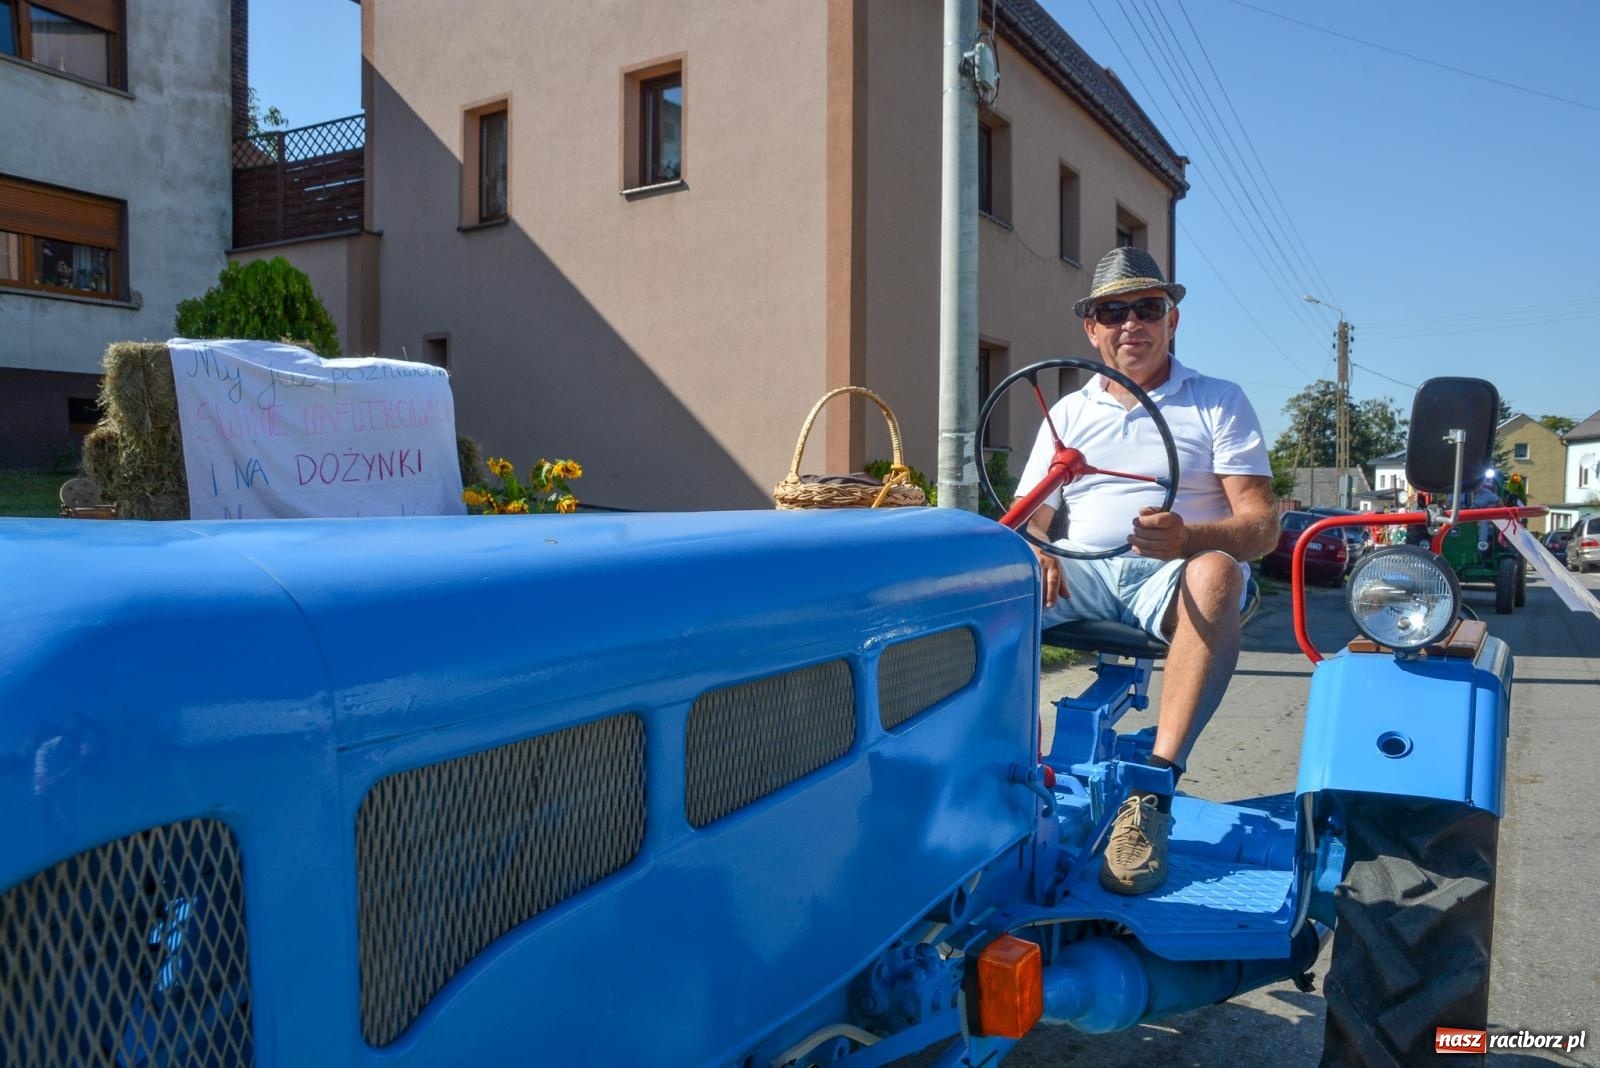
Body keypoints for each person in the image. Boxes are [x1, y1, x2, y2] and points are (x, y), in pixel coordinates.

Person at [1014, 246, 1278, 895]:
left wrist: (1191, 536)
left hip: (1172, 574)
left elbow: (1262, 526)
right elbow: (1033, 517)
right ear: (1092, 329)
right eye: (1113, 311)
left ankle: (1153, 793)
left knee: (1218, 572)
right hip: (1082, 569)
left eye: (1147, 308)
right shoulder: (1069, 412)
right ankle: (1001, 774)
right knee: (985, 583)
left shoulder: (1217, 401)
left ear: (1171, 320)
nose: (1131, 322)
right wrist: (1039, 549)